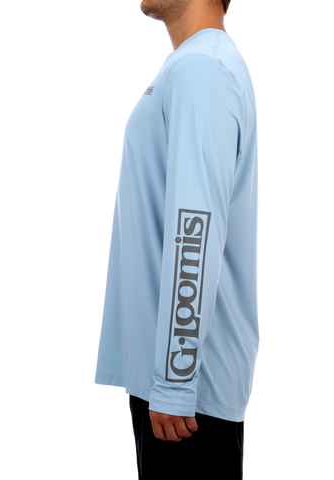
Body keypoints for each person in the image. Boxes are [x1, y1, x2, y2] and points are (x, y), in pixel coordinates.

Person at [92, 1, 260, 477]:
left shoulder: (202, 70)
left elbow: (195, 229)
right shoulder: (192, 63)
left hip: (186, 394)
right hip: (173, 379)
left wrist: (175, 381)